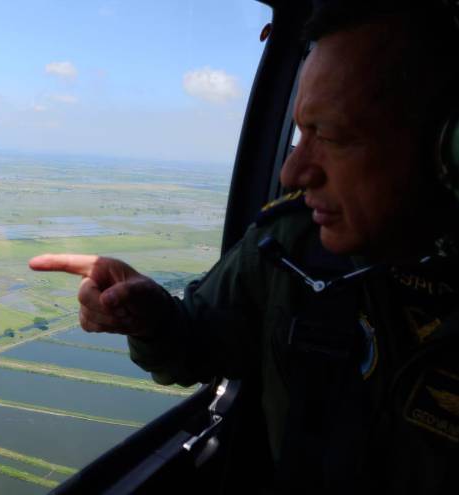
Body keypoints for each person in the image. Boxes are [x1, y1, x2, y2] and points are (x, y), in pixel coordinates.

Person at [29, 2, 459, 493]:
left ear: (448, 147)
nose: (292, 173)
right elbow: (197, 345)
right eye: (301, 134)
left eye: (332, 136)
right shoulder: (289, 246)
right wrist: (153, 321)